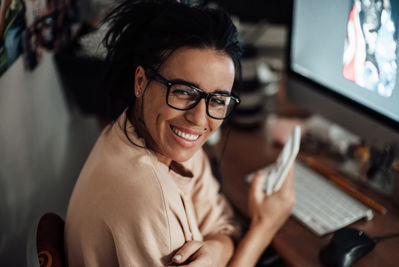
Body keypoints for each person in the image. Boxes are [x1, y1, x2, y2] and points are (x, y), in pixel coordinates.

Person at [64, 1, 295, 266]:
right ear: (141, 81)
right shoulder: (149, 201)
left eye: (218, 100)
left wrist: (214, 251)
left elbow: (222, 224)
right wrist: (264, 229)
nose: (199, 119)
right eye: (183, 91)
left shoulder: (155, 136)